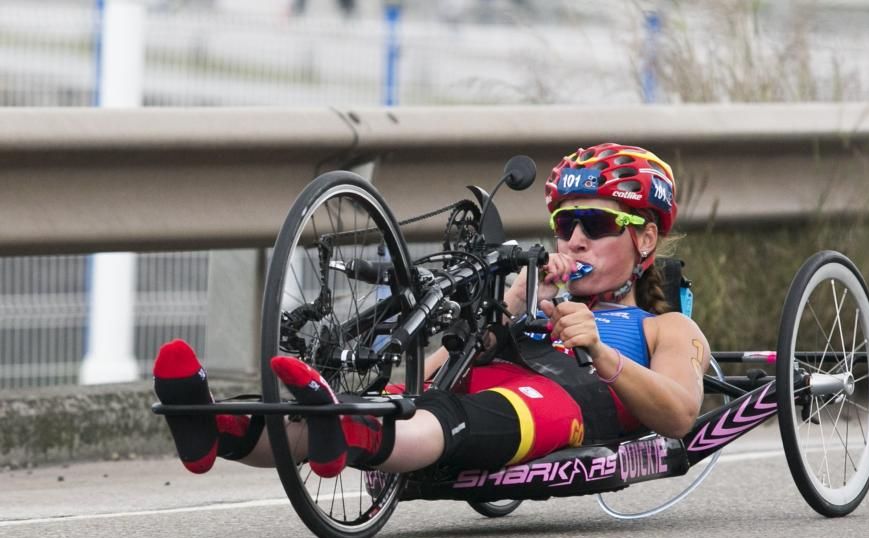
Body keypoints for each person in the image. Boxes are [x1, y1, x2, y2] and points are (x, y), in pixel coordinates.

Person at [153, 142, 710, 477]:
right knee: (394, 402)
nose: (577, 239)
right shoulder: (537, 297)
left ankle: (348, 433)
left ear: (644, 240)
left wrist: (599, 350)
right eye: (566, 224)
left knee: (465, 415)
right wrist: (510, 305)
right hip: (481, 385)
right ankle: (214, 425)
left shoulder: (666, 326)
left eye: (600, 224)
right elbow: (430, 378)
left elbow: (680, 413)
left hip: (568, 402)